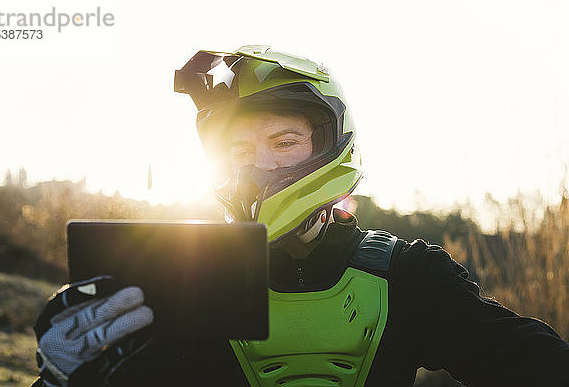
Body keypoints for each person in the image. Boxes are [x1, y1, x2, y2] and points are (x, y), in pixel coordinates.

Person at [31, 45, 569, 387]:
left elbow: (537, 366)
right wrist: (62, 378)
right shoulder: (182, 279)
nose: (258, 165)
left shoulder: (408, 275)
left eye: (284, 141)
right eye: (238, 150)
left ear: (329, 146)